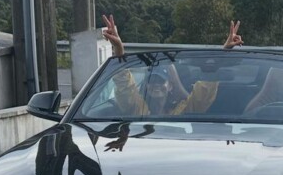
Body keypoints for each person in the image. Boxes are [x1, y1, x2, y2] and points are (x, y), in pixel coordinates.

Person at [101, 13, 243, 117]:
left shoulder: (183, 111)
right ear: (146, 86)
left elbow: (203, 94)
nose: (156, 85)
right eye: (153, 81)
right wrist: (118, 48)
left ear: (170, 86)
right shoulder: (136, 109)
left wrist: (224, 52)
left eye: (161, 80)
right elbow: (124, 85)